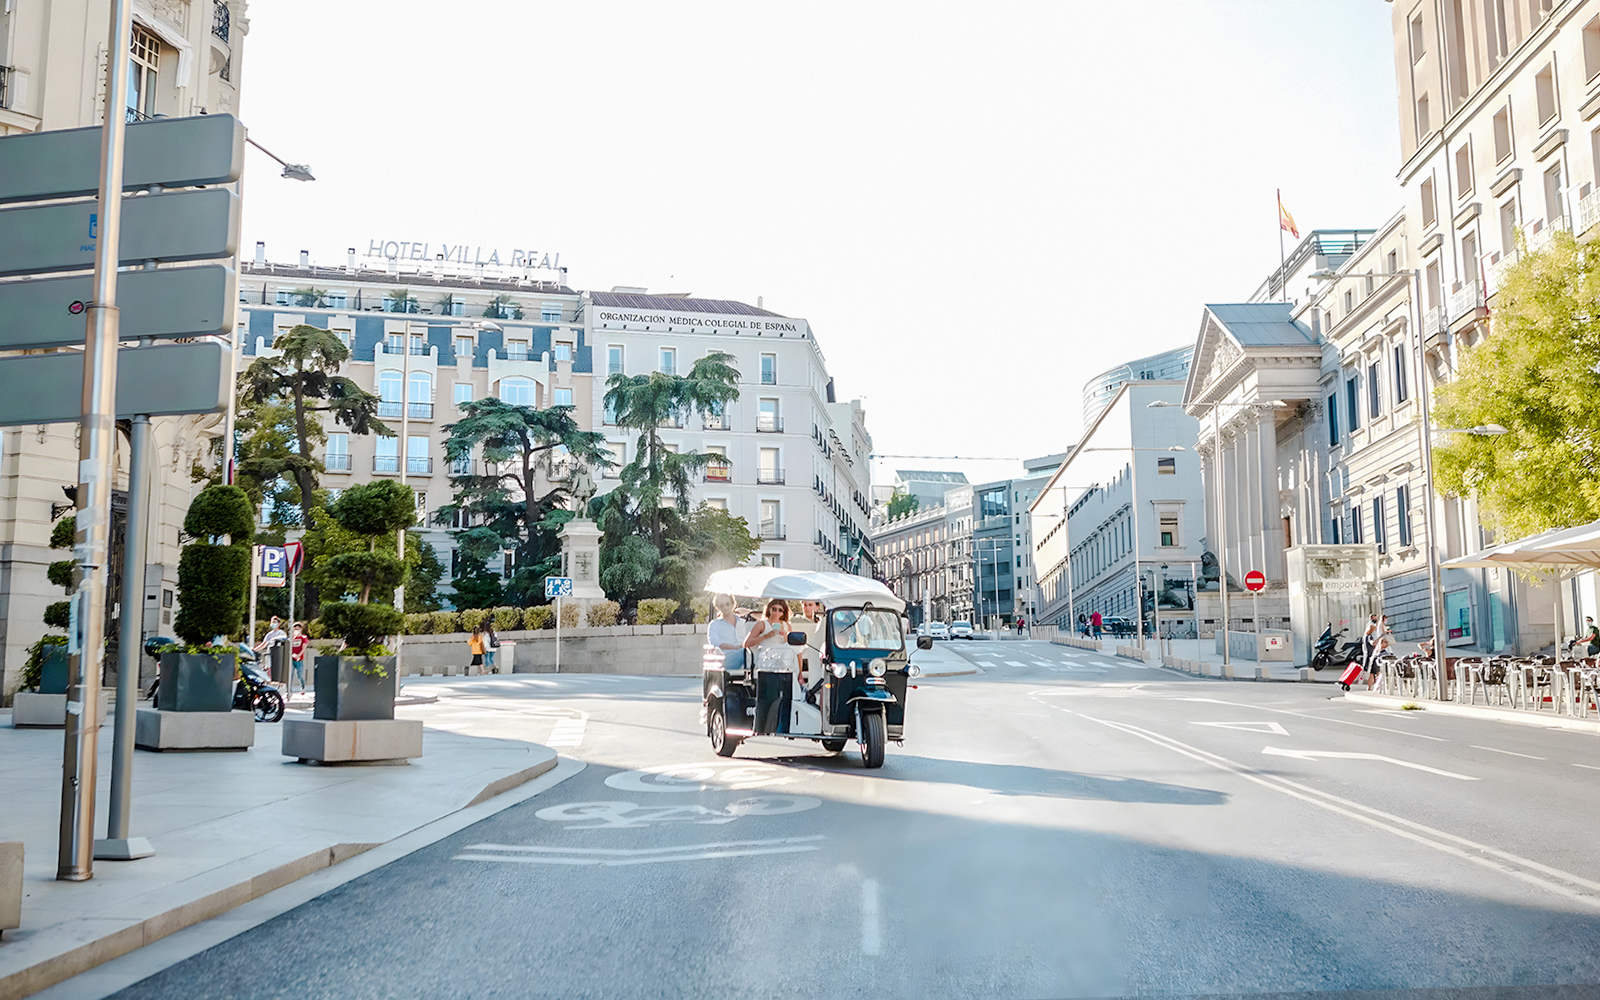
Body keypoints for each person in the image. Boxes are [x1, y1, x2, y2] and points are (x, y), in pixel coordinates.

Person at [743, 598, 792, 672]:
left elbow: (791, 644)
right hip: (766, 655)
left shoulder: (787, 625)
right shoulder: (762, 624)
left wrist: (786, 637)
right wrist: (765, 636)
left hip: (783, 654)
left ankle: (798, 675)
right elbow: (746, 643)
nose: (776, 612)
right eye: (774, 609)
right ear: (769, 609)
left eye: (780, 610)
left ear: (783, 612)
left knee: (794, 649)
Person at [289, 622, 310, 696]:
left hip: (299, 659)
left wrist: (298, 655)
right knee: (290, 675)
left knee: (300, 675)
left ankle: (303, 687)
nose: (297, 628)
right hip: (291, 659)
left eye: (298, 627)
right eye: (295, 627)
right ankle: (289, 691)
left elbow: (304, 647)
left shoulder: (303, 637)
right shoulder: (291, 638)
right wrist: (292, 655)